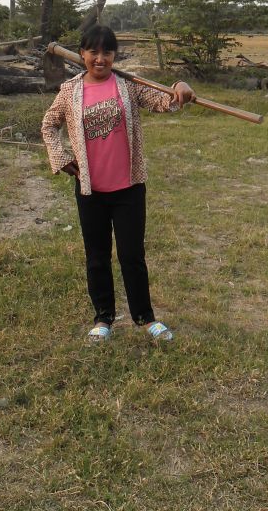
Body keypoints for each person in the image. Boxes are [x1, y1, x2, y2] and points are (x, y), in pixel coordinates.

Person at [41, 25, 195, 343]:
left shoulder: (127, 85)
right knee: (97, 256)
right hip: (91, 190)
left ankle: (144, 317)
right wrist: (60, 157)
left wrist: (179, 88)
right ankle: (104, 318)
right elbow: (48, 124)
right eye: (93, 52)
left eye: (107, 52)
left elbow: (163, 102)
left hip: (128, 187)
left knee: (132, 255)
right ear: (82, 54)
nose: (100, 58)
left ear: (114, 55)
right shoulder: (70, 91)